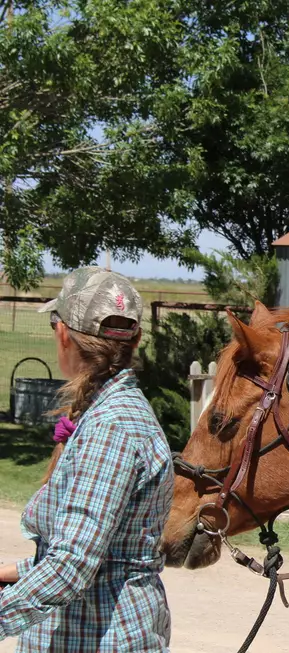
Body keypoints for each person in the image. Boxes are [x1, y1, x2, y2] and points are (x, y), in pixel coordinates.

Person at [0, 267, 174, 652]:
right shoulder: (108, 416)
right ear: (136, 339)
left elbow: (72, 565)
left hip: (98, 637)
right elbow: (102, 553)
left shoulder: (111, 428)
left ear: (62, 333)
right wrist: (11, 573)